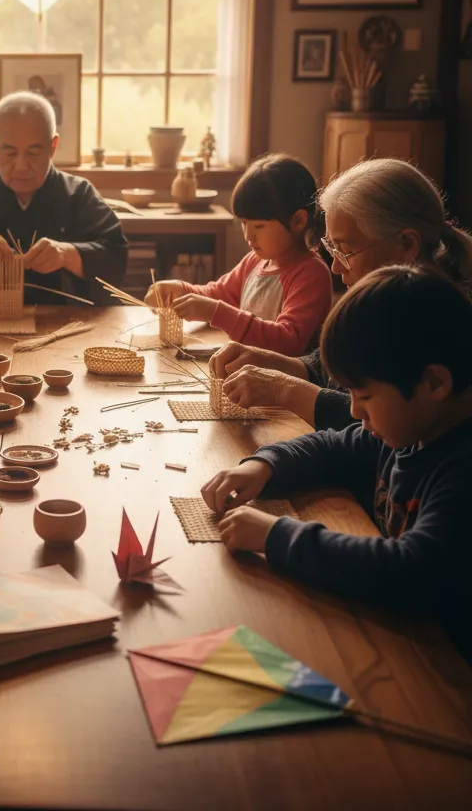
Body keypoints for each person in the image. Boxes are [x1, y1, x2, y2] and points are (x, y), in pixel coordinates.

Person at [202, 266, 472, 662]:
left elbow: (410, 571)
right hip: (400, 635)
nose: (353, 409)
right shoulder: (412, 429)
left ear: (434, 383)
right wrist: (264, 466)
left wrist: (277, 536)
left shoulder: (461, 468)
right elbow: (336, 446)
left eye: (364, 395)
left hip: (446, 674)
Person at [211, 158, 472, 429]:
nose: (335, 266)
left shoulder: (433, 325)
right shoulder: (379, 304)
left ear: (406, 244)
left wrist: (282, 389)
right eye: (331, 248)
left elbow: (372, 429)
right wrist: (263, 359)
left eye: (346, 250)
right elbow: (323, 370)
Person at [0, 92, 128, 306]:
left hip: (65, 325)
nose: (20, 166)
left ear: (53, 146)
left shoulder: (78, 194)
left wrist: (67, 255)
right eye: (9, 153)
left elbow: (115, 255)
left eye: (33, 153)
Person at [145, 153, 332, 356]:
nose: (248, 235)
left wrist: (217, 312)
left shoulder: (311, 274)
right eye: (244, 224)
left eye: (259, 226)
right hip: (247, 375)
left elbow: (288, 341)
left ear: (297, 221)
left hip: (285, 384)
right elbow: (218, 295)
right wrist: (181, 291)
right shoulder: (254, 262)